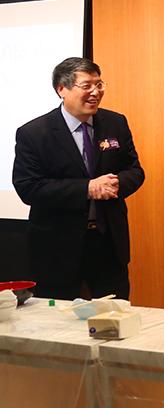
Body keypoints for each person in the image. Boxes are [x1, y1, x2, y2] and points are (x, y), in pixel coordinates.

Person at [13, 57, 145, 301]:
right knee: (58, 325)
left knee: (115, 322)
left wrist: (116, 183)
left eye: (100, 85)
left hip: (108, 243)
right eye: (87, 86)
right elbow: (28, 187)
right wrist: (88, 188)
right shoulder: (34, 133)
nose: (95, 92)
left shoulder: (116, 122)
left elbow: (135, 170)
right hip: (57, 247)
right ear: (61, 89)